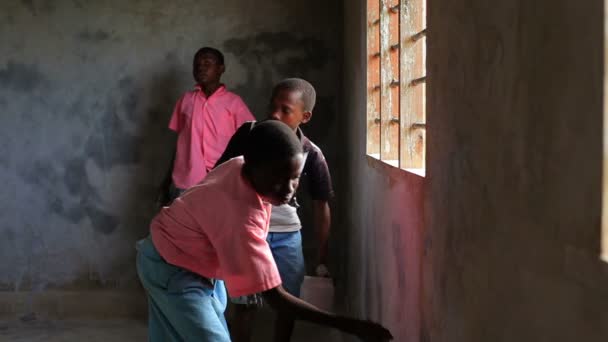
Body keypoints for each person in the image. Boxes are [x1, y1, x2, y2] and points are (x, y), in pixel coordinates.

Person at [136, 120, 392, 342]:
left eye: (294, 177)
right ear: (252, 168)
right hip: (171, 267)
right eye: (277, 178)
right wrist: (351, 325)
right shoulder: (241, 215)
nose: (288, 188)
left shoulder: (240, 165)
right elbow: (277, 298)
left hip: (181, 256)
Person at [215, 78, 332, 342]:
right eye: (272, 106)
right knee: (244, 302)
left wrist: (322, 257)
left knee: (287, 302)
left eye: (285, 109)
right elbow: (218, 176)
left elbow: (321, 204)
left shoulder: (311, 153)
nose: (274, 114)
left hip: (287, 236)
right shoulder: (249, 135)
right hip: (246, 232)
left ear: (306, 116)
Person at [158, 47, 254, 205]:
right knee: (185, 228)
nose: (200, 67)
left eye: (207, 63)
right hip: (186, 181)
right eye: (196, 64)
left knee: (216, 227)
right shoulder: (186, 101)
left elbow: (249, 142)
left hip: (222, 181)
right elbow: (181, 144)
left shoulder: (234, 103)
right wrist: (167, 180)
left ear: (221, 68)